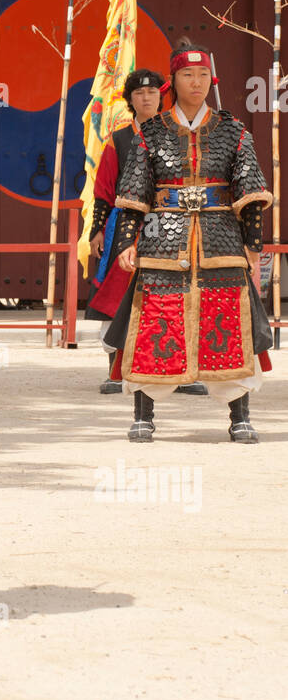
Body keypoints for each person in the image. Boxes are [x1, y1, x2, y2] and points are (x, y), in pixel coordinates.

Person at [104, 38, 273, 442]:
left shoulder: (233, 131)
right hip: (163, 236)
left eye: (201, 75)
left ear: (209, 79)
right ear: (173, 82)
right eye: (186, 75)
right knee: (153, 321)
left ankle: (239, 416)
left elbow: (249, 191)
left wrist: (253, 247)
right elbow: (134, 192)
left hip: (221, 238)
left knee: (229, 323)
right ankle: (143, 413)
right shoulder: (151, 132)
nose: (195, 83)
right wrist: (128, 241)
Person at [83, 68, 210, 395]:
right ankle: (116, 372)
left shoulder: (178, 135)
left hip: (170, 226)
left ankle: (181, 372)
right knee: (118, 299)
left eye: (153, 92)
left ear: (161, 97)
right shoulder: (120, 139)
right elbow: (104, 190)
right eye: (139, 93)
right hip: (126, 230)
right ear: (130, 100)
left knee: (175, 296)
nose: (147, 97)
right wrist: (96, 230)